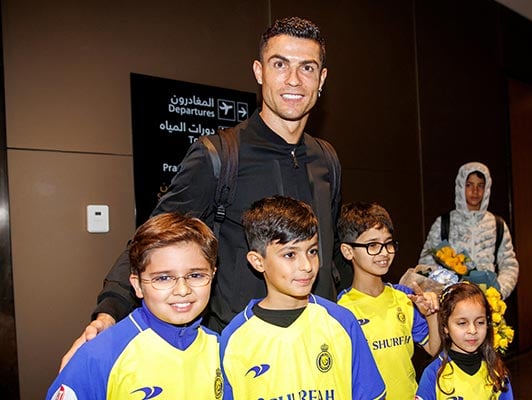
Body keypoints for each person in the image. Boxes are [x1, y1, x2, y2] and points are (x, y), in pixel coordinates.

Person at [62, 16, 349, 367]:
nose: (293, 80)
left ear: (321, 79)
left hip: (318, 349)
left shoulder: (326, 160)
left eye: (307, 67)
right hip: (241, 359)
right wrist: (109, 312)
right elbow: (151, 241)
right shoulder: (218, 156)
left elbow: (332, 256)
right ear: (259, 72)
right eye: (280, 64)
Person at [219, 196, 386, 400]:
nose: (307, 266)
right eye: (290, 254)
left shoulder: (342, 322)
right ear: (257, 261)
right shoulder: (234, 338)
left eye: (312, 251)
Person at [47, 213, 222, 399]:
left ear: (212, 275)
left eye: (196, 275)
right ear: (137, 285)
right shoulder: (100, 355)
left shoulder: (220, 348)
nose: (182, 290)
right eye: (163, 278)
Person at [336, 201, 440, 399]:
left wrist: (431, 316)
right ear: (348, 251)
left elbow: (433, 349)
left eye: (388, 243)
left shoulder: (405, 298)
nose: (384, 253)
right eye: (373, 245)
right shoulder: (341, 310)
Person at [418, 162, 519, 299]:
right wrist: (444, 288)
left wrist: (498, 292)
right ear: (460, 186)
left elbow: (509, 265)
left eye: (480, 186)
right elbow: (426, 263)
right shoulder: (443, 223)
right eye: (469, 185)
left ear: (487, 189)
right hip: (453, 302)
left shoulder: (497, 225)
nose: (475, 191)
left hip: (488, 303)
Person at [415, 281, 513, 400]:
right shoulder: (433, 373)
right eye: (462, 323)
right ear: (445, 326)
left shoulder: (496, 370)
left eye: (480, 322)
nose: (472, 330)